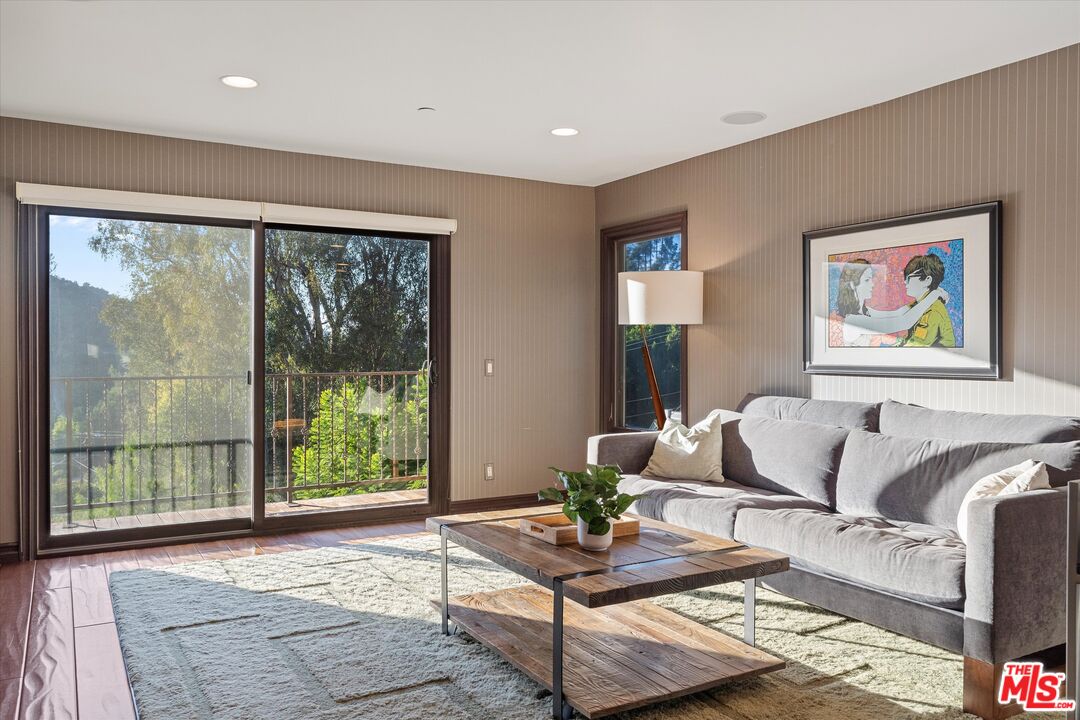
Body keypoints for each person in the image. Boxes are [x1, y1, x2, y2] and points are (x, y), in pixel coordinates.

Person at [835, 259, 950, 346]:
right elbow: (905, 322)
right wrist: (934, 295)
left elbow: (899, 312)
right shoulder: (854, 321)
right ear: (851, 285)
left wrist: (929, 295)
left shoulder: (867, 312)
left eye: (871, 279)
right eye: (867, 280)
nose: (872, 284)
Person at [896, 254, 956, 347]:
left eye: (909, 278)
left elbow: (916, 345)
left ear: (927, 280)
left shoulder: (933, 310)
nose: (904, 282)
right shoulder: (918, 305)